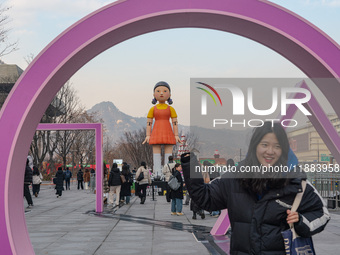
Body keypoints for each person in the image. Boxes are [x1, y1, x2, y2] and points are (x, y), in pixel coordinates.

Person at [181, 121, 330, 254]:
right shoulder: (235, 178)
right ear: (255, 146)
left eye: (277, 146)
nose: (270, 151)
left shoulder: (296, 182)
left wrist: (301, 221)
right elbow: (205, 197)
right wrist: (189, 163)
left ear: (283, 149)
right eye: (264, 145)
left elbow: (322, 214)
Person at [142, 81, 181, 176]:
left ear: (170, 94)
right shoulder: (152, 109)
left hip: (168, 131)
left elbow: (175, 122)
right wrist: (148, 135)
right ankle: (157, 173)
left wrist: (176, 135)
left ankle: (169, 174)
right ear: (154, 94)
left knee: (169, 154)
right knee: (156, 155)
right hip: (156, 132)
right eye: (158, 91)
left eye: (164, 91)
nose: (162, 93)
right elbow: (149, 123)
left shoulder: (171, 109)